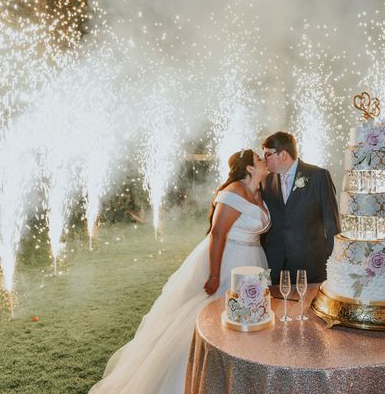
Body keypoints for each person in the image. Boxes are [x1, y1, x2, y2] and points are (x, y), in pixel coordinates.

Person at [89, 149, 270, 394]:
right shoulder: (233, 192)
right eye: (259, 159)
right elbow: (217, 234)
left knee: (248, 317)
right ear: (249, 167)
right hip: (231, 260)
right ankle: (199, 377)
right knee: (215, 316)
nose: (264, 161)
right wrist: (215, 274)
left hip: (254, 260)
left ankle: (238, 375)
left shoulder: (258, 191)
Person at [261, 131, 341, 285]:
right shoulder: (266, 181)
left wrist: (334, 264)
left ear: (283, 154)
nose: (264, 161)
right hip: (275, 267)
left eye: (268, 155)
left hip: (310, 266)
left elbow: (332, 224)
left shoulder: (318, 176)